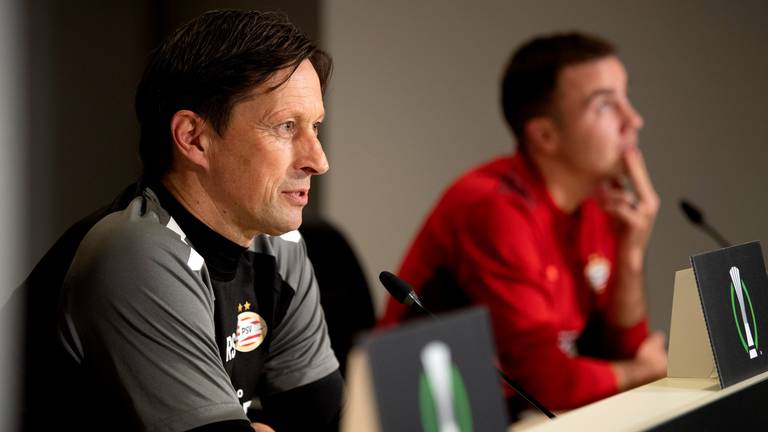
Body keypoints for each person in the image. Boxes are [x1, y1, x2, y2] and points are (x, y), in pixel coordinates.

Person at [16, 10, 341, 432]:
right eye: (286, 126)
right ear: (193, 138)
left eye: (315, 126)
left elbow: (328, 422)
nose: (319, 160)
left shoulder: (279, 245)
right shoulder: (135, 252)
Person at [379, 32, 667, 413]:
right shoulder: (495, 210)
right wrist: (639, 372)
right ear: (545, 135)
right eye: (604, 106)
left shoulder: (595, 205)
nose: (633, 120)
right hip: (425, 413)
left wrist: (631, 251)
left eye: (626, 98)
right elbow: (548, 383)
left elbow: (619, 349)